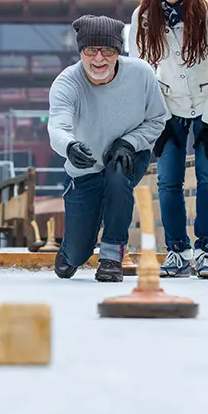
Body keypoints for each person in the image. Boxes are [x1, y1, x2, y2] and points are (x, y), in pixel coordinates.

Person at [128, 0, 208, 279]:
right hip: (167, 106)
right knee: (169, 180)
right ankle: (177, 250)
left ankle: (206, 250)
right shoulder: (142, 17)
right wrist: (158, 120)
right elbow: (140, 72)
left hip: (206, 103)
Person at [47, 14, 170, 282]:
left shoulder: (141, 74)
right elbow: (57, 127)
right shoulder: (67, 83)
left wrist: (130, 142)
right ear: (81, 51)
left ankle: (112, 256)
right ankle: (72, 251)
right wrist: (69, 147)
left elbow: (158, 119)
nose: (99, 59)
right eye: (91, 50)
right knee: (75, 257)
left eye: (108, 50)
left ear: (118, 51)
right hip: (85, 165)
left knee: (117, 176)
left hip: (126, 155)